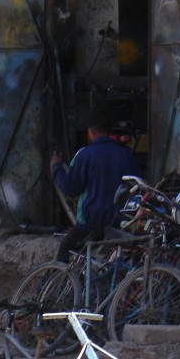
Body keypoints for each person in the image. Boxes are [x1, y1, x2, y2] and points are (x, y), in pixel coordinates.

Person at [50, 113, 141, 264]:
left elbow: (70, 188)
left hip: (91, 222)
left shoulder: (86, 154)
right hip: (119, 222)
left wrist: (56, 167)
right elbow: (137, 188)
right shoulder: (127, 155)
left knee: (66, 249)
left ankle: (52, 285)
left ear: (91, 131)